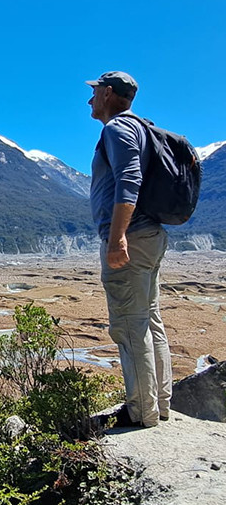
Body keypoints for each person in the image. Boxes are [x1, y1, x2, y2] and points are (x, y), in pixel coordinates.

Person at [87, 71, 170, 429]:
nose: (89, 100)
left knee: (128, 325)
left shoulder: (117, 128)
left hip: (131, 237)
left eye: (93, 93)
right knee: (150, 320)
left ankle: (141, 412)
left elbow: (130, 180)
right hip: (151, 235)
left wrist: (117, 237)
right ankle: (159, 405)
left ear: (107, 94)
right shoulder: (143, 129)